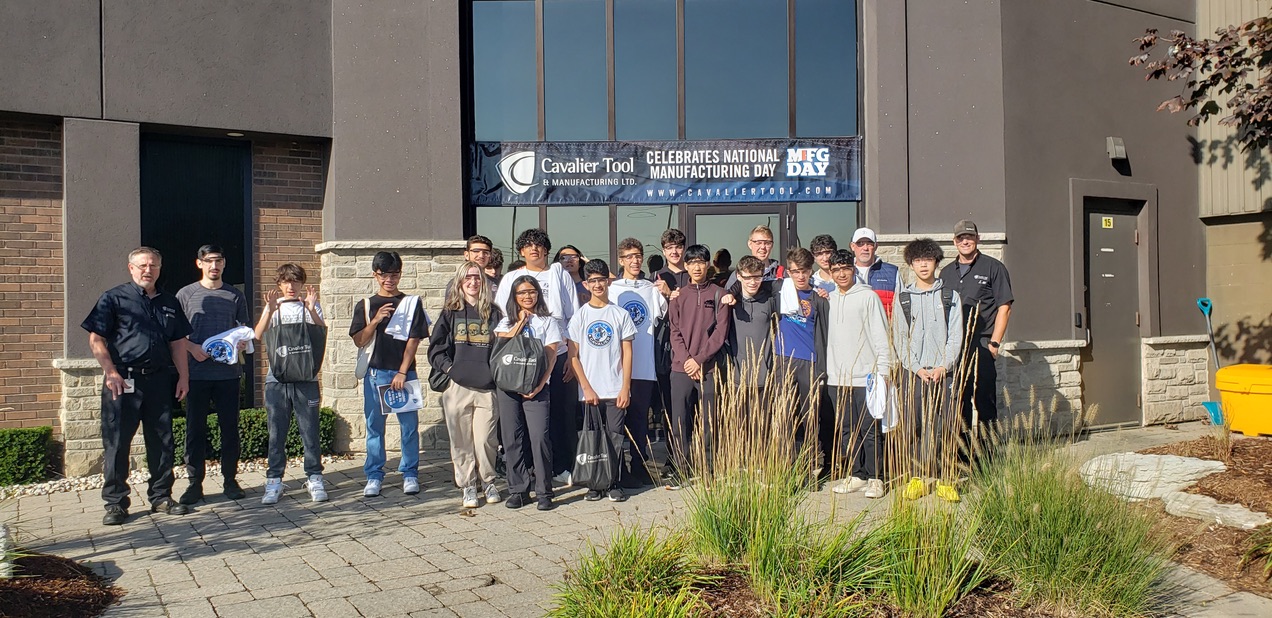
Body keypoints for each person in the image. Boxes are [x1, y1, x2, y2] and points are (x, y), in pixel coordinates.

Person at [82, 247, 193, 525]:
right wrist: (110, 372)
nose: (148, 270)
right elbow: (96, 339)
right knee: (117, 442)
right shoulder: (113, 298)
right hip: (122, 381)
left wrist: (183, 377)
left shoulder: (169, 302)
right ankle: (115, 503)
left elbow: (178, 343)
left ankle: (161, 497)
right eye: (142, 265)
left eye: (153, 265)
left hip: (159, 381)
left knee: (162, 441)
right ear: (131, 268)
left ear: (159, 269)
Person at [494, 229, 580, 486]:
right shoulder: (512, 278)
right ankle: (527, 470)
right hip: (520, 358)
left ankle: (561, 466)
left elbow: (573, 316)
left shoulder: (559, 274)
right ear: (521, 251)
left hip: (556, 351)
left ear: (546, 249)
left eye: (539, 245)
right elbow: (502, 316)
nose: (534, 249)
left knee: (560, 414)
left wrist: (572, 356)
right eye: (528, 245)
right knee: (522, 419)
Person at [349, 251, 429, 497]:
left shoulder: (411, 303)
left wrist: (403, 371)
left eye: (394, 275)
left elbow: (414, 339)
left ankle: (410, 473)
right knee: (374, 426)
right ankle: (374, 475)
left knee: (409, 426)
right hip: (375, 373)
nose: (389, 280)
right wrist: (375, 321)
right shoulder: (365, 304)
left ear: (400, 275)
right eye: (384, 275)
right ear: (375, 275)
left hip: (404, 373)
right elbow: (359, 340)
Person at [175, 244, 251, 504]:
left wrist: (241, 343)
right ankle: (194, 484)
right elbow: (174, 334)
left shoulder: (235, 295)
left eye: (218, 260)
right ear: (199, 263)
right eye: (208, 261)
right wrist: (192, 348)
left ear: (224, 263)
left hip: (228, 374)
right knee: (195, 430)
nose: (214, 265)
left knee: (229, 429)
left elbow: (242, 329)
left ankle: (230, 480)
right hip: (196, 374)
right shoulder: (185, 295)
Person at [892, 239, 964, 502]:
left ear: (936, 262)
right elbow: (899, 338)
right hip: (914, 374)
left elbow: (955, 336)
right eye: (918, 260)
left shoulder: (950, 296)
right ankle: (916, 478)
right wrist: (916, 367)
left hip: (944, 372)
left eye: (928, 259)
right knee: (914, 425)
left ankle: (946, 479)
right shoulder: (904, 299)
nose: (923, 265)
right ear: (911, 265)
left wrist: (945, 365)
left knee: (947, 425)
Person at [428, 261, 502, 508]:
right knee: (460, 440)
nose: (473, 282)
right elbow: (436, 349)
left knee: (485, 440)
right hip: (457, 387)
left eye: (477, 277)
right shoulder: (450, 313)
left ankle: (488, 481)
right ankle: (468, 485)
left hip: (486, 388)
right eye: (468, 277)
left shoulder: (494, 313)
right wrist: (451, 369)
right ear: (460, 282)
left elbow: (502, 348)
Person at [253, 263, 328, 504]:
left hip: (306, 378)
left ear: (302, 283)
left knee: (310, 431)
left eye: (296, 281)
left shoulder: (310, 305)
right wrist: (269, 310)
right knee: (276, 432)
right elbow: (257, 335)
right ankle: (274, 480)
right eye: (286, 281)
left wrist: (311, 309)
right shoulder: (274, 307)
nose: (291, 286)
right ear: (279, 284)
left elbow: (322, 332)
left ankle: (315, 477)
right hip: (277, 378)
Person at [939, 220, 1013, 456]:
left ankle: (987, 458)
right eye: (961, 238)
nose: (965, 241)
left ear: (977, 239)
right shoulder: (945, 272)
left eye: (969, 237)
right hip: (954, 346)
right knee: (958, 402)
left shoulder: (993, 267)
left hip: (981, 344)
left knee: (984, 402)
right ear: (955, 242)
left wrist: (994, 343)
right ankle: (962, 458)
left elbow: (1004, 307)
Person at [568, 259, 638, 502]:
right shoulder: (579, 316)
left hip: (615, 388)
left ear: (608, 282)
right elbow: (573, 356)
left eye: (601, 280)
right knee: (593, 439)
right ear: (586, 284)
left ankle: (613, 483)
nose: (598, 285)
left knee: (615, 437)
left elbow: (627, 353)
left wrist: (625, 387)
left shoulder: (620, 314)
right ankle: (594, 484)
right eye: (593, 281)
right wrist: (586, 388)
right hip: (590, 391)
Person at [824, 250, 892, 499]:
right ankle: (856, 474)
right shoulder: (828, 299)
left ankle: (876, 477)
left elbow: (880, 334)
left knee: (869, 428)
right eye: (836, 270)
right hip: (837, 377)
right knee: (847, 429)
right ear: (830, 273)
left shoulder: (868, 297)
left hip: (867, 376)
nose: (841, 274)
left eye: (845, 269)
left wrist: (884, 370)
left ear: (853, 269)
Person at [495, 275, 562, 511]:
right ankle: (518, 490)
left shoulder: (548, 322)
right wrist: (520, 323)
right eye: (522, 292)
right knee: (512, 438)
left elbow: (551, 356)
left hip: (537, 387)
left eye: (531, 291)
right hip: (508, 387)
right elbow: (500, 345)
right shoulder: (505, 322)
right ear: (514, 297)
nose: (527, 296)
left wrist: (540, 385)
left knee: (539, 437)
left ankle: (544, 491)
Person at [666, 244, 731, 486]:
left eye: (701, 262)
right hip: (681, 368)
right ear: (686, 266)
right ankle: (681, 469)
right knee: (680, 421)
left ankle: (708, 469)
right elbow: (674, 332)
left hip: (708, 368)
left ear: (707, 265)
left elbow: (720, 333)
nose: (696, 267)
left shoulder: (719, 294)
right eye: (692, 262)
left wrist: (699, 360)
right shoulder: (678, 297)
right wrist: (687, 361)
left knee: (709, 421)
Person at [610, 238, 668, 487]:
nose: (635, 260)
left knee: (640, 419)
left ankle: (639, 463)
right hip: (616, 367)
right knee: (616, 420)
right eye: (629, 256)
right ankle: (618, 469)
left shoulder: (651, 289)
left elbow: (664, 314)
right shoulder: (612, 290)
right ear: (621, 260)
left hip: (644, 365)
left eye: (638, 256)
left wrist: (667, 293)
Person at [770, 248, 832, 472]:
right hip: (784, 358)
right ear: (788, 272)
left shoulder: (818, 298)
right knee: (784, 413)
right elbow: (747, 283)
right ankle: (784, 463)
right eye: (795, 271)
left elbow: (825, 332)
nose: (800, 276)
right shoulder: (779, 290)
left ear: (810, 271)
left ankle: (812, 462)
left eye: (804, 271)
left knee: (810, 415)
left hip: (810, 360)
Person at [725, 255, 779, 404]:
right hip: (738, 377)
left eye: (757, 277)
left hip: (765, 377)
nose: (753, 282)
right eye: (748, 277)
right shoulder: (730, 303)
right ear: (738, 276)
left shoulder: (770, 300)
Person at [850, 227, 901, 319]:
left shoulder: (892, 273)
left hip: (884, 327)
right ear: (852, 246)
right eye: (860, 243)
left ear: (876, 246)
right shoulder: (843, 273)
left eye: (869, 244)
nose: (865, 248)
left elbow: (901, 308)